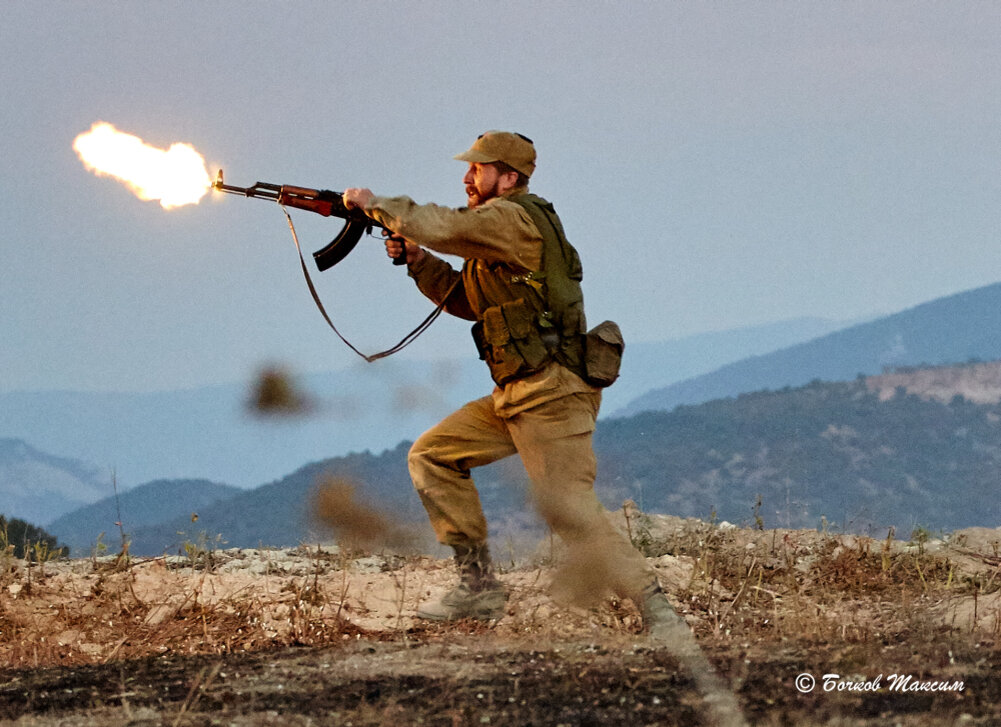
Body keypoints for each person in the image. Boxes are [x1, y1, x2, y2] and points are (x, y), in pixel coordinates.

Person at [341, 131, 681, 633]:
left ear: (508, 177)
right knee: (433, 456)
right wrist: (419, 262)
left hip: (552, 395)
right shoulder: (497, 230)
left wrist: (375, 204)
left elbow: (442, 225)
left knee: (571, 512)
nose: (467, 177)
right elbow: (470, 302)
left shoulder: (512, 219)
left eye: (478, 169)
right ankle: (478, 588)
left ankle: (661, 616)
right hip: (517, 394)